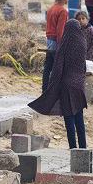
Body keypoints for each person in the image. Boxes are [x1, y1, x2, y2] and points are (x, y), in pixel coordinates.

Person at [29, 19, 88, 149]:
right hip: (79, 86)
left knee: (69, 118)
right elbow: (84, 66)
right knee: (79, 117)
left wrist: (52, 86)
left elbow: (58, 67)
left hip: (66, 85)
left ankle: (73, 147)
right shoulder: (83, 43)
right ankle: (83, 147)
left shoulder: (65, 44)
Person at [43, 0, 68, 92]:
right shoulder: (62, 11)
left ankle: (44, 90)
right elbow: (60, 31)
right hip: (56, 41)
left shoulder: (51, 9)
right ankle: (53, 92)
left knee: (48, 67)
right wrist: (62, 45)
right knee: (57, 68)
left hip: (49, 40)